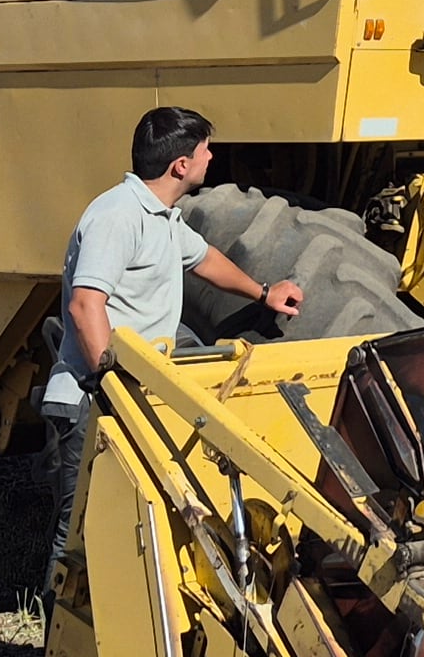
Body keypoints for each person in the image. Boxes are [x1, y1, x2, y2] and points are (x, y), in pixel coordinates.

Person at [42, 106, 304, 584]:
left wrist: (265, 293)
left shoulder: (161, 216)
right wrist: (110, 381)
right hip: (91, 401)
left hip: (126, 396)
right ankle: (58, 647)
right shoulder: (117, 216)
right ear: (180, 165)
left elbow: (205, 260)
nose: (212, 156)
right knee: (78, 538)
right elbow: (85, 306)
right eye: (205, 148)